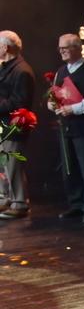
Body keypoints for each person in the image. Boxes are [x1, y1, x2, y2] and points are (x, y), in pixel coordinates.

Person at [47, 33, 84, 224]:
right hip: (66, 127)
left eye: (65, 48)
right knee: (69, 168)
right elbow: (54, 95)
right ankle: (76, 204)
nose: (61, 51)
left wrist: (72, 109)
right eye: (60, 48)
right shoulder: (61, 71)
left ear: (78, 48)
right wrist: (52, 104)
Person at [0, 30, 35, 219]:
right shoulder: (7, 67)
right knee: (4, 165)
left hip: (13, 126)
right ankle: (6, 198)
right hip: (4, 125)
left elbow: (19, 102)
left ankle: (20, 203)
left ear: (5, 47)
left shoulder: (22, 70)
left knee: (13, 165)